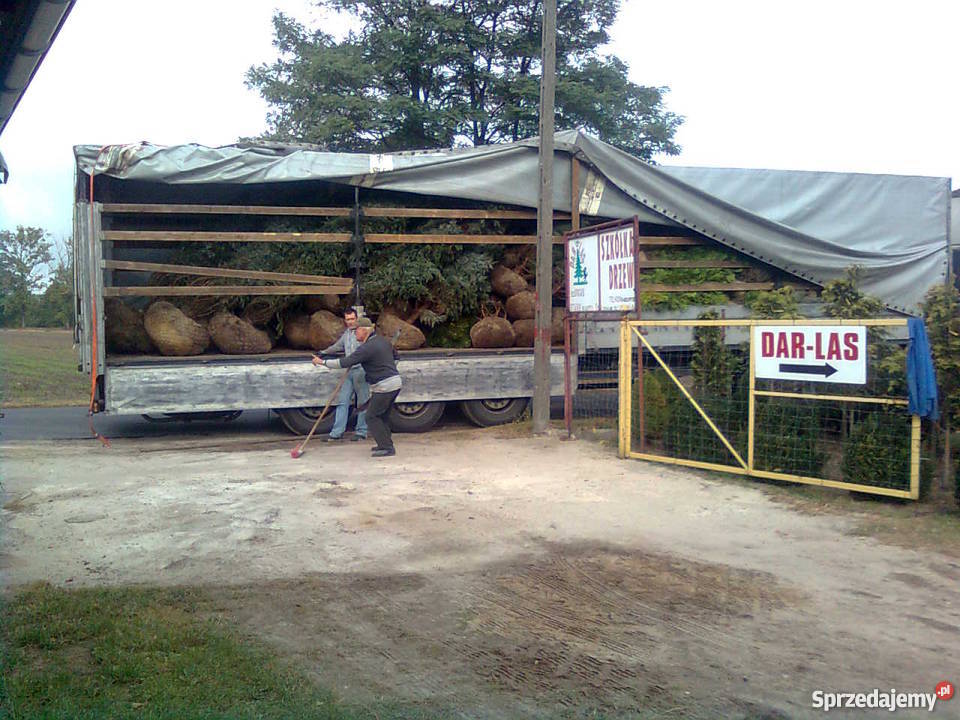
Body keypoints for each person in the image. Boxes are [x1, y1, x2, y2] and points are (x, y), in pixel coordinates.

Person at [313, 317, 401, 457]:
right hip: (395, 383)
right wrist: (389, 369)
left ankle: (387, 448)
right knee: (381, 416)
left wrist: (322, 362)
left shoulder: (366, 348)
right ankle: (385, 444)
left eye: (356, 331)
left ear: (364, 330)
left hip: (385, 386)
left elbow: (345, 362)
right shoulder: (382, 341)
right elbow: (396, 357)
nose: (354, 334)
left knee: (371, 416)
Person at [318, 308, 369, 442]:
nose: (350, 322)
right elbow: (337, 346)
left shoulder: (363, 333)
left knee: (362, 403)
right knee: (343, 401)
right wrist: (323, 352)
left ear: (356, 319)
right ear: (345, 321)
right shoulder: (347, 334)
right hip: (349, 371)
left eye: (352, 319)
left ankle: (361, 432)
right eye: (348, 319)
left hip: (361, 371)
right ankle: (336, 433)